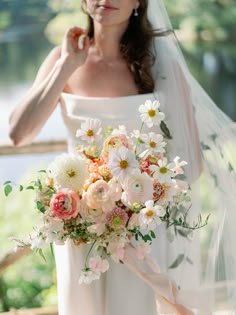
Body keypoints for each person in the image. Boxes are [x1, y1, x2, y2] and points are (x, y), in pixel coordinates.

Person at [9, 0, 236, 314]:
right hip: (79, 231)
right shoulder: (63, 59)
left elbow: (191, 165)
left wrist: (135, 204)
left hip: (141, 236)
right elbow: (19, 134)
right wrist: (65, 67)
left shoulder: (159, 64)